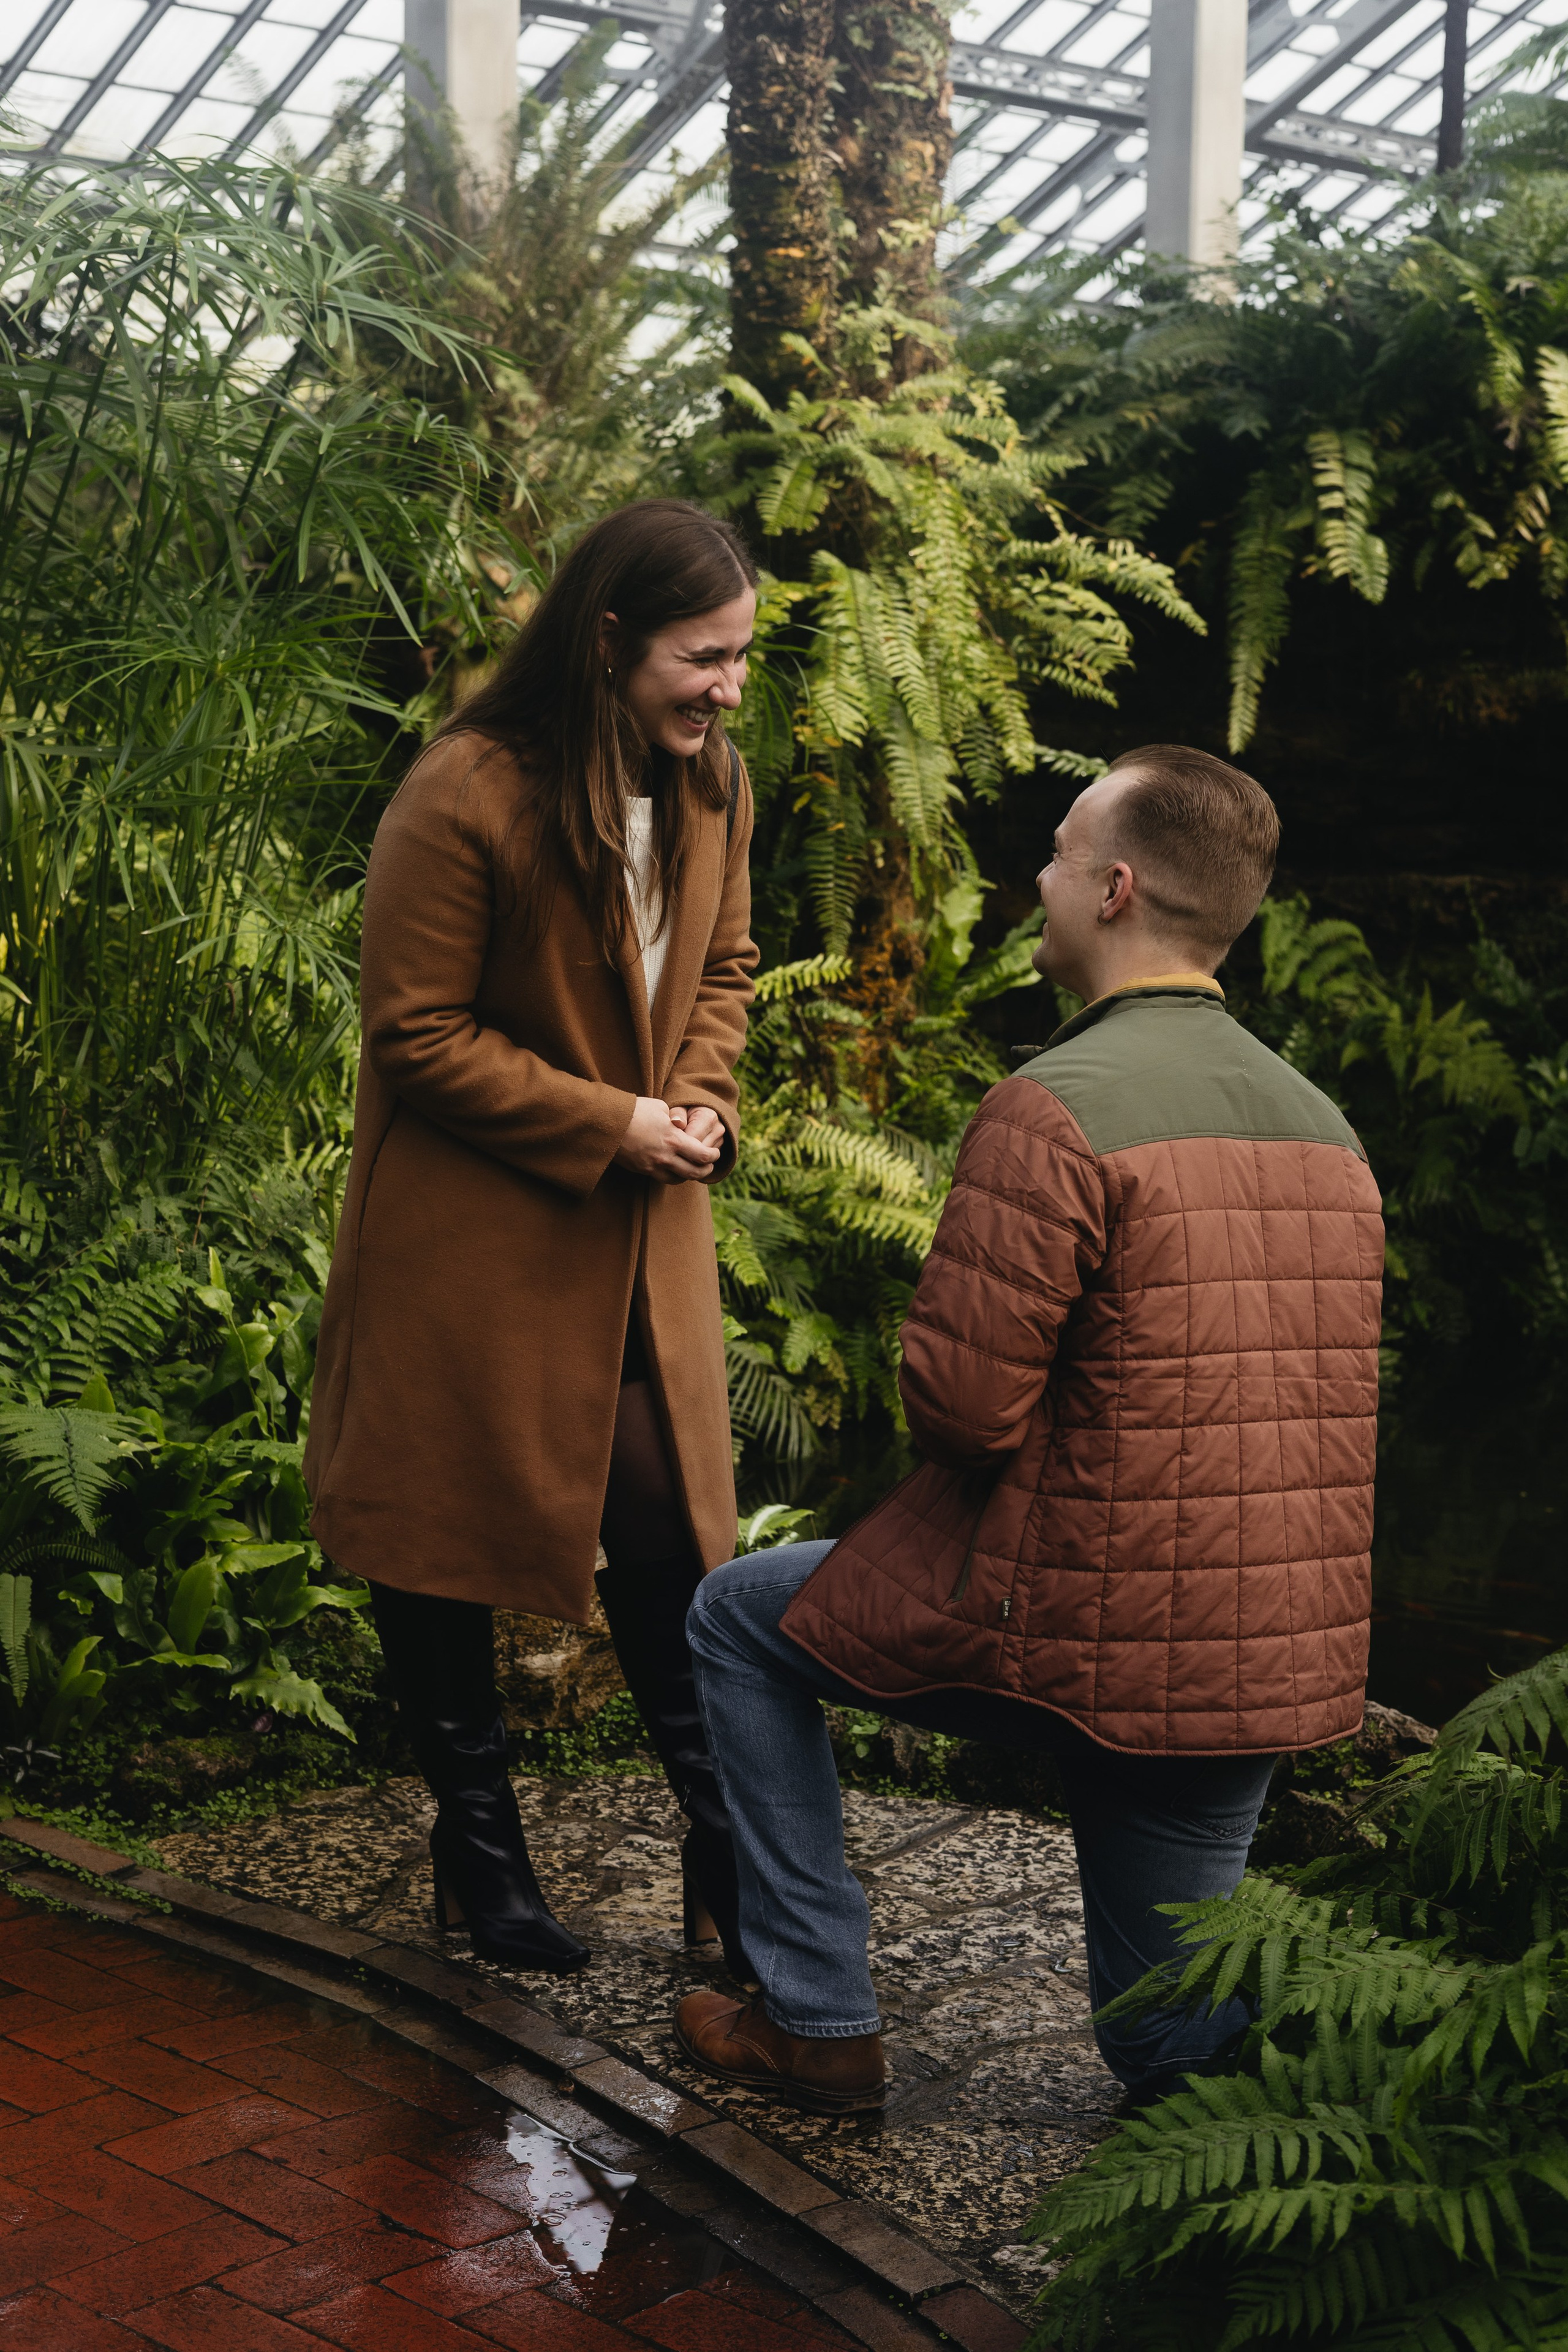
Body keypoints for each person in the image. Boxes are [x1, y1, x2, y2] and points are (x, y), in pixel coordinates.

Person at [674, 746, 1384, 2115]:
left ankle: (817, 2017)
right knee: (1169, 2048)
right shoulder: (1327, 1132)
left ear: (1114, 890)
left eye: (1056, 854)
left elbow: (963, 1409)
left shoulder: (1050, 1108)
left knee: (732, 1616)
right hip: (1258, 1649)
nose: (1036, 879)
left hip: (1080, 1626)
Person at [304, 499, 760, 1977]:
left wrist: (692, 1103)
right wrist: (614, 1122)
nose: (727, 688)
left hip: (638, 1232)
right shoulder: (467, 789)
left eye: (742, 658)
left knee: (667, 1538)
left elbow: (726, 971)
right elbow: (414, 1034)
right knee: (434, 1539)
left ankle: (724, 1854)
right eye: (704, 657)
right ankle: (479, 1852)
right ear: (611, 638)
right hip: (473, 1242)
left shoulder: (713, 787)